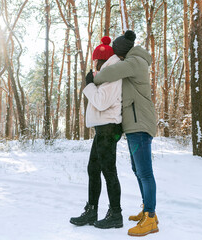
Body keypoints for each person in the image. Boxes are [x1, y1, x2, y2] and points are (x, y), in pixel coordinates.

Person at [92, 30, 159, 237]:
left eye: (118, 55)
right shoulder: (133, 61)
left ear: (122, 53)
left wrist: (94, 77)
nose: (117, 58)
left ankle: (150, 218)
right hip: (134, 124)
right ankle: (148, 212)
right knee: (138, 170)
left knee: (145, 172)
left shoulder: (134, 62)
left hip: (140, 125)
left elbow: (107, 74)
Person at [69, 36, 124, 229]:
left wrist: (89, 85)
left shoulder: (113, 76)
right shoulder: (106, 75)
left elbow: (101, 101)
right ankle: (91, 211)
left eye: (97, 61)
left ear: (103, 61)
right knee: (93, 169)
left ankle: (116, 214)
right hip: (103, 129)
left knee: (109, 171)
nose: (95, 65)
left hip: (109, 128)